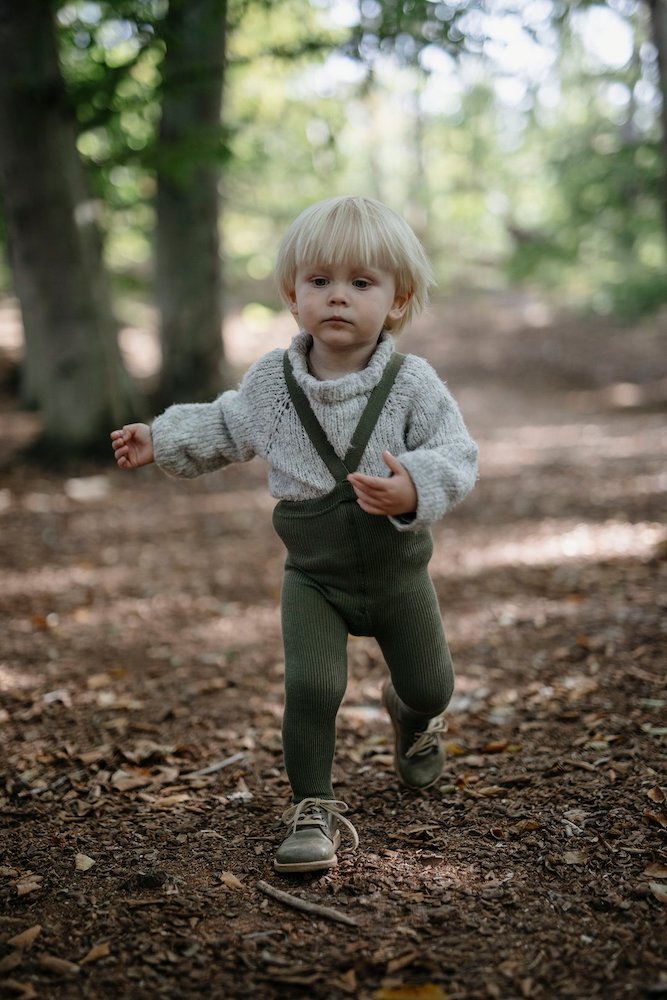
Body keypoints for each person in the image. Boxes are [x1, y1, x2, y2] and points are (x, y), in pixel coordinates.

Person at [111, 195, 478, 874]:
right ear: (292, 294)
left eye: (361, 283)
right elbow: (224, 425)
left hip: (396, 571)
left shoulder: (410, 384)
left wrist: (413, 487)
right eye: (320, 281)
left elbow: (457, 452)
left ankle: (411, 714)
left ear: (396, 302)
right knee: (311, 687)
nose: (338, 297)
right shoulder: (272, 385)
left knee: (432, 685)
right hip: (314, 575)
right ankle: (312, 807)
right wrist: (158, 438)